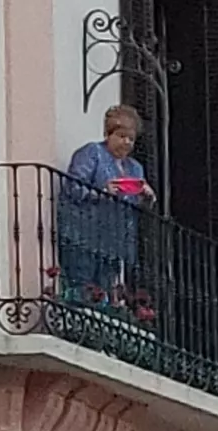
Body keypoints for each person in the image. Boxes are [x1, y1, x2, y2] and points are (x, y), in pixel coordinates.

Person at [57, 105, 153, 312]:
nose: (127, 142)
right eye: (121, 136)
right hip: (84, 234)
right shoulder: (92, 153)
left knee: (105, 291)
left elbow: (133, 205)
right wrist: (102, 191)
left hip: (114, 241)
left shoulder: (134, 168)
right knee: (83, 287)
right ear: (108, 134)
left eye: (131, 139)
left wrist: (146, 197)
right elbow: (73, 187)